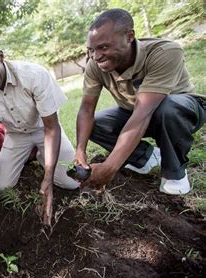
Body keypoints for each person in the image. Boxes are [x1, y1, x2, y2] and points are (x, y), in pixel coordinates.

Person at [75, 8, 205, 195]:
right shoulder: (95, 66)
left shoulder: (165, 52)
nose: (96, 56)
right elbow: (86, 109)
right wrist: (80, 150)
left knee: (167, 108)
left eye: (103, 47)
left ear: (129, 36)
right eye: (91, 50)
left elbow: (143, 113)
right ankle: (147, 157)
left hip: (181, 111)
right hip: (136, 113)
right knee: (94, 123)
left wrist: (109, 167)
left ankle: (175, 172)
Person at [0, 36, 79, 225]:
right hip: (16, 135)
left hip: (45, 130)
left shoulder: (33, 75)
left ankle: (45, 158)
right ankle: (36, 155)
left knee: (71, 182)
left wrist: (48, 178)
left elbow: (52, 127)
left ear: (1, 57)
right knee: (2, 186)